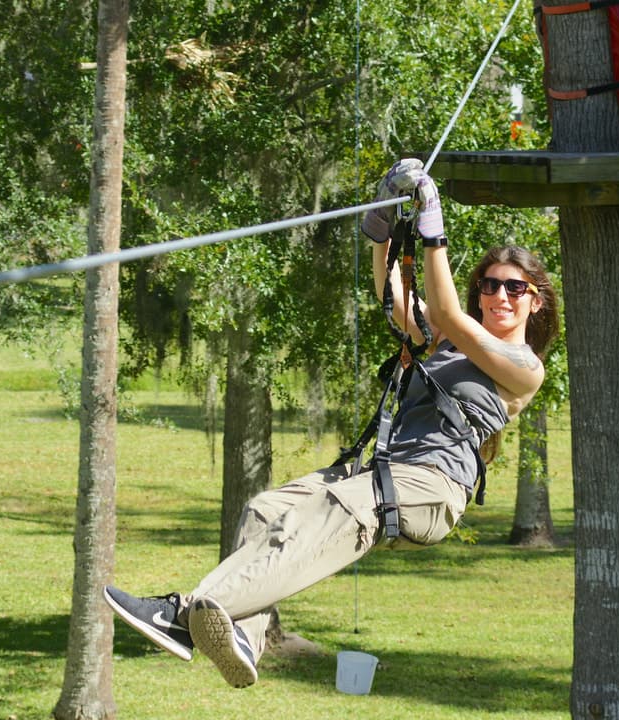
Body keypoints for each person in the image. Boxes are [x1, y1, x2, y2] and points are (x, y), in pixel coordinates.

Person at [104, 158, 560, 689]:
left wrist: (432, 220)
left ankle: (182, 614)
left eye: (513, 288)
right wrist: (381, 227)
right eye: (489, 285)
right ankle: (245, 634)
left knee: (335, 504)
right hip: (387, 474)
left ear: (536, 299)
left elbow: (449, 311)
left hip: (432, 488)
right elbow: (394, 296)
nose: (499, 296)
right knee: (266, 509)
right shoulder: (442, 342)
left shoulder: (525, 369)